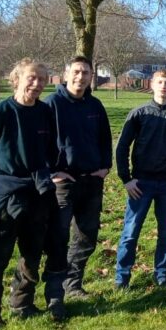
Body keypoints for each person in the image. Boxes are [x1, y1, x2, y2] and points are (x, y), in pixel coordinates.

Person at [0, 59, 60, 327]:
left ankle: (22, 302)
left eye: (43, 79)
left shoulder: (45, 112)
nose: (37, 84)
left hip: (37, 191)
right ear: (17, 79)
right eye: (32, 78)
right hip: (4, 191)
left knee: (33, 250)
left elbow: (50, 150)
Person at [114, 69, 166, 289]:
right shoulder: (139, 113)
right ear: (152, 84)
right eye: (160, 82)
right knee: (131, 231)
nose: (164, 86)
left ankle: (162, 275)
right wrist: (126, 178)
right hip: (140, 183)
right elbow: (121, 147)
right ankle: (122, 277)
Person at [44, 55, 112, 300]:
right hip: (64, 182)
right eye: (76, 72)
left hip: (92, 181)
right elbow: (41, 142)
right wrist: (53, 172)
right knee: (59, 235)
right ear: (66, 74)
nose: (80, 77)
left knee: (86, 236)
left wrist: (105, 167)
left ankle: (73, 284)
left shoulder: (95, 106)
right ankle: (53, 287)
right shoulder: (51, 104)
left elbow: (105, 139)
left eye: (85, 72)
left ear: (91, 76)